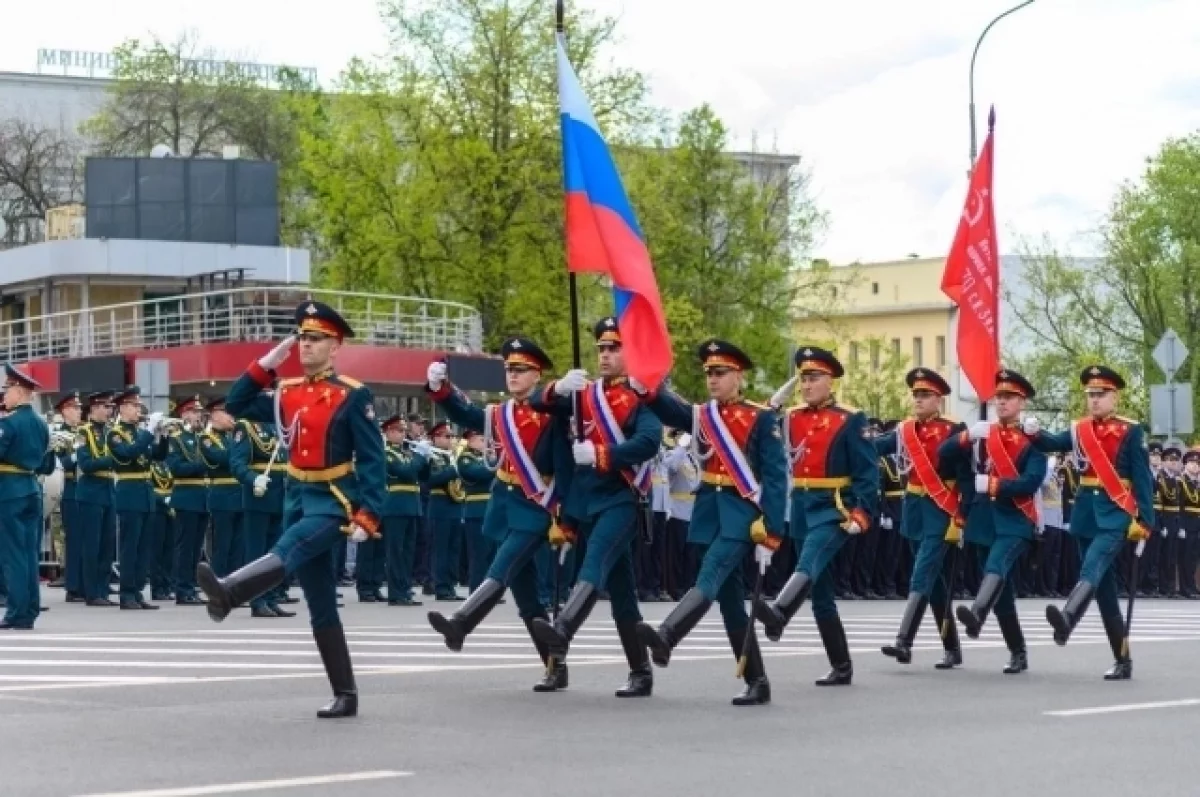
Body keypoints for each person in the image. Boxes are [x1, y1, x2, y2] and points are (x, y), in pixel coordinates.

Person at [198, 301, 387, 718]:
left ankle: (230, 592)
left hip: (332, 501)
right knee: (321, 603)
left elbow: (374, 459)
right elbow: (236, 404)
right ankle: (346, 694)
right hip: (297, 497)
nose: (306, 345)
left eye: (316, 339)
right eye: (302, 338)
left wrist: (369, 512)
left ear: (335, 346)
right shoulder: (288, 391)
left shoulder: (352, 395)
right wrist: (265, 365)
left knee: (289, 547)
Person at [631, 339, 788, 706]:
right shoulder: (704, 415)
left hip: (741, 514)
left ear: (738, 376)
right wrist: (645, 387)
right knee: (731, 603)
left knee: (711, 572)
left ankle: (668, 635)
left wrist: (773, 530)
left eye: (720, 372)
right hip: (708, 512)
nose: (713, 379)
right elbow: (669, 408)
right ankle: (757, 681)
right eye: (709, 373)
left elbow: (775, 477)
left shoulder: (760, 417)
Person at [423, 338, 574, 692]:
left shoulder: (553, 413)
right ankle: (555, 667)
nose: (513, 375)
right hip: (505, 506)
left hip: (536, 507)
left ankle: (462, 623)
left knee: (501, 566)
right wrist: (441, 389)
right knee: (527, 600)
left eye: (521, 369)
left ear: (537, 375)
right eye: (509, 369)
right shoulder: (501, 413)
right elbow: (466, 414)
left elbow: (566, 467)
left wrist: (567, 519)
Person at [528, 316, 663, 698]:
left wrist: (602, 454)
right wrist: (557, 387)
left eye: (613, 348)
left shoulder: (640, 396)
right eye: (601, 348)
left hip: (622, 498)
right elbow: (536, 402)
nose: (605, 355)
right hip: (587, 501)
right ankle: (641, 671)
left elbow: (649, 441)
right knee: (622, 593)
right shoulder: (582, 394)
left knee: (596, 560)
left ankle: (564, 628)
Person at [752, 346, 878, 686]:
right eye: (804, 379)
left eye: (814, 378)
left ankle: (779, 612)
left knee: (809, 559)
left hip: (834, 508)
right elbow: (756, 437)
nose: (807, 385)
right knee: (820, 594)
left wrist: (862, 511)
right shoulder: (791, 416)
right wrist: (769, 408)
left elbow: (868, 472)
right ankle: (841, 666)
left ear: (830, 380)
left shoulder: (850, 419)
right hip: (801, 507)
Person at [1023, 364, 1154, 680]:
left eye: (1101, 394)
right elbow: (1052, 443)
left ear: (1114, 397)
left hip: (1115, 513)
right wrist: (1033, 432)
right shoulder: (1079, 429)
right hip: (1085, 514)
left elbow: (1142, 478)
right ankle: (1123, 660)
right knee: (1104, 592)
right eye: (1091, 394)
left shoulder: (1131, 431)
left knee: (1092, 565)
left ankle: (1068, 617)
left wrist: (1145, 520)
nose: (1094, 399)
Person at [939, 369, 1047, 674]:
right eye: (999, 396)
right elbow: (943, 453)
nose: (1002, 402)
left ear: (1022, 402)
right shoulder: (983, 433)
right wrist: (968, 435)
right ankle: (1018, 651)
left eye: (1009, 397)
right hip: (983, 519)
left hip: (1016, 518)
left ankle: (977, 613)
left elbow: (1031, 481)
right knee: (1001, 590)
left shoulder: (1032, 440)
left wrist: (995, 484)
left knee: (996, 566)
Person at [872, 368, 969, 668]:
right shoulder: (906, 430)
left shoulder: (953, 428)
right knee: (934, 581)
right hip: (914, 507)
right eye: (916, 394)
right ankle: (952, 648)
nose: (918, 400)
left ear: (939, 399)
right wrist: (854, 440)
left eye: (925, 395)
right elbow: (877, 446)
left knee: (922, 572)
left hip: (942, 509)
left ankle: (904, 641)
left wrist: (963, 514)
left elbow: (966, 475)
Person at [0, 363, 52, 629]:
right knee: (30, 553)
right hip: (32, 488)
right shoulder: (41, 425)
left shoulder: (9, 424)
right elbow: (45, 463)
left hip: (10, 491)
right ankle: (30, 609)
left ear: (19, 392)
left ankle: (17, 612)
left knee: (14, 554)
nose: (4, 396)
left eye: (7, 390)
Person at [108, 385, 169, 610]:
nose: (138, 409)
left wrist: (163, 436)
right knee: (130, 547)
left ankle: (138, 591)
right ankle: (127, 594)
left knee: (144, 548)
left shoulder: (137, 433)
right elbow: (128, 454)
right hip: (129, 491)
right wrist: (149, 431)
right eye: (134, 405)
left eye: (138, 405)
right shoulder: (115, 434)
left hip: (145, 492)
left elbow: (158, 456)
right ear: (122, 408)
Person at [229, 413, 294, 618]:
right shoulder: (246, 426)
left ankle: (271, 598)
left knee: (275, 554)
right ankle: (257, 600)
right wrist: (253, 478)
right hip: (258, 497)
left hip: (280, 496)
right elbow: (236, 463)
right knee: (257, 554)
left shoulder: (277, 426)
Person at [75, 391, 118, 607]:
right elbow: (85, 464)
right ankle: (91, 592)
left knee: (107, 545)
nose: (109, 411)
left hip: (108, 490)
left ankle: (102, 589)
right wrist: (112, 459)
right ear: (93, 409)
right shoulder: (83, 432)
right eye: (105, 407)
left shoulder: (111, 432)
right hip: (91, 491)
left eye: (110, 407)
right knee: (92, 544)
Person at [380, 415, 427, 606]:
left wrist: (426, 459)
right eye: (399, 431)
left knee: (408, 552)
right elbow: (405, 472)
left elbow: (424, 476)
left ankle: (405, 589)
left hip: (412, 506)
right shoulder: (387, 453)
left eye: (404, 431)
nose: (403, 435)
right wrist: (420, 456)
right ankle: (395, 592)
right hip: (395, 506)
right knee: (396, 552)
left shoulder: (407, 453)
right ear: (389, 432)